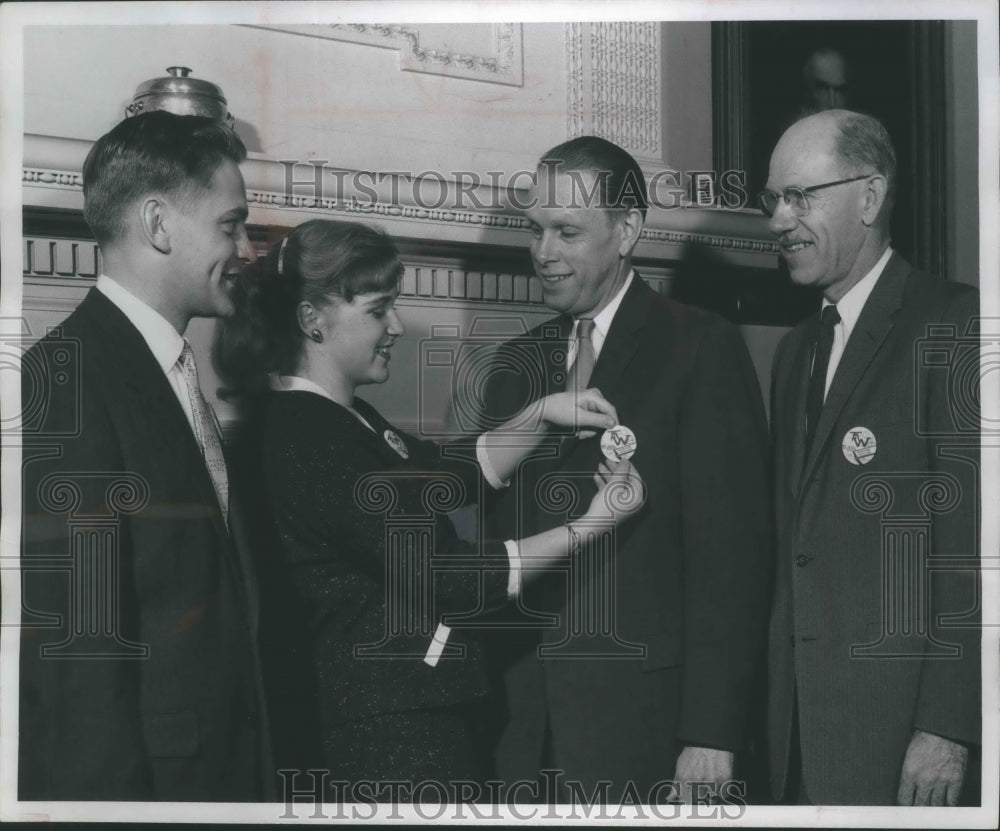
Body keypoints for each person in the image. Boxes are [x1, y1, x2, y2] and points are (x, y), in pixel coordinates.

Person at [214, 219, 644, 799]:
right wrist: (592, 524)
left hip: (405, 721)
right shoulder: (308, 439)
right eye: (378, 310)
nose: (396, 326)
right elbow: (449, 575)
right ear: (312, 319)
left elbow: (444, 475)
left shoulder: (342, 420)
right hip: (385, 742)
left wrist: (539, 415)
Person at [479, 136, 773, 804]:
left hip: (644, 726)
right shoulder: (512, 367)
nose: (542, 252)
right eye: (535, 229)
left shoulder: (700, 347)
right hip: (521, 729)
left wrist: (712, 732)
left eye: (566, 231)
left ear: (628, 230)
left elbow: (732, 561)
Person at [19, 111, 271, 800]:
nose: (246, 249)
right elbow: (76, 660)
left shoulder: (165, 371)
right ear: (159, 224)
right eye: (231, 225)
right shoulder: (66, 380)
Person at [761, 109, 980, 805]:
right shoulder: (794, 352)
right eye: (774, 199)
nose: (779, 221)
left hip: (901, 742)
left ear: (870, 197)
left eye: (801, 197)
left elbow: (973, 552)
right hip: (795, 738)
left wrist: (948, 726)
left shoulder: (956, 325)